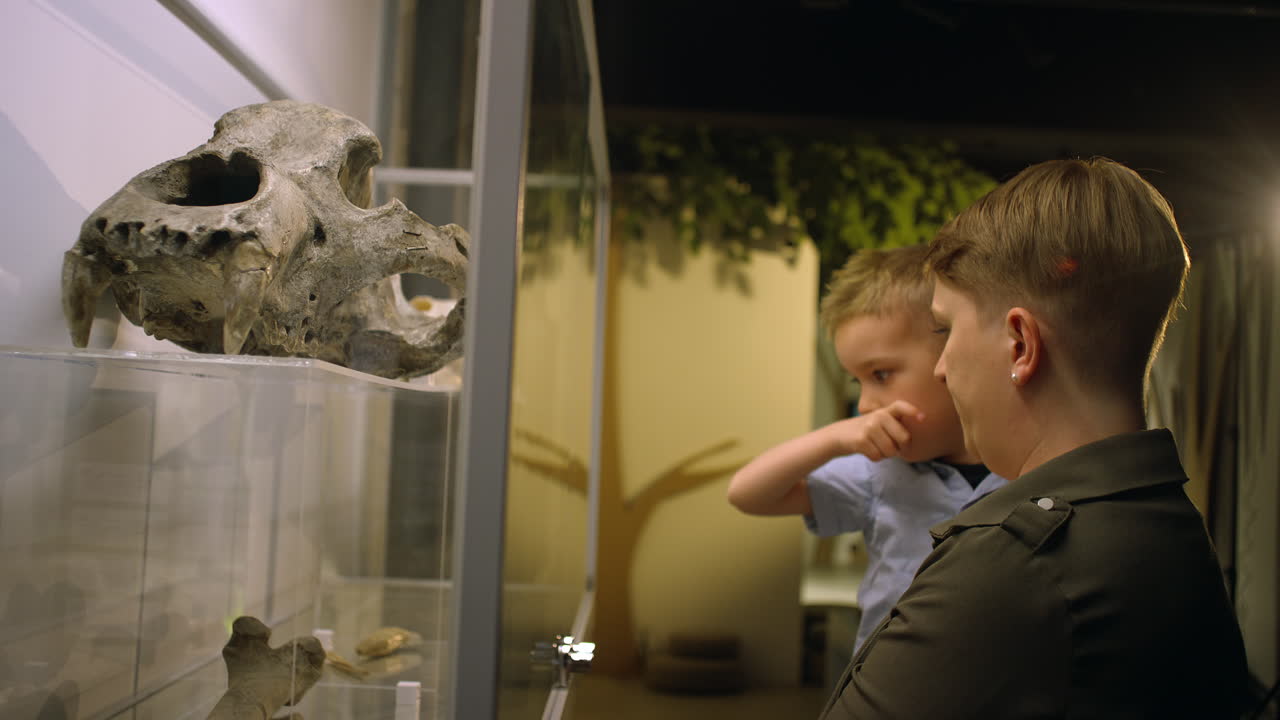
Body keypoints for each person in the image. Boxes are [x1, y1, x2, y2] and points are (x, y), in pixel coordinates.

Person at [818, 157, 1249, 719]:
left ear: (1020, 344)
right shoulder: (1171, 527)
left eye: (947, 330)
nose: (943, 367)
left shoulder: (1012, 563)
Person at [727, 244, 1006, 657]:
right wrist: (836, 437)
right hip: (890, 683)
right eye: (859, 381)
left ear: (952, 356)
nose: (866, 404)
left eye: (881, 374)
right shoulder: (878, 472)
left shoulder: (1025, 465)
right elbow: (748, 493)